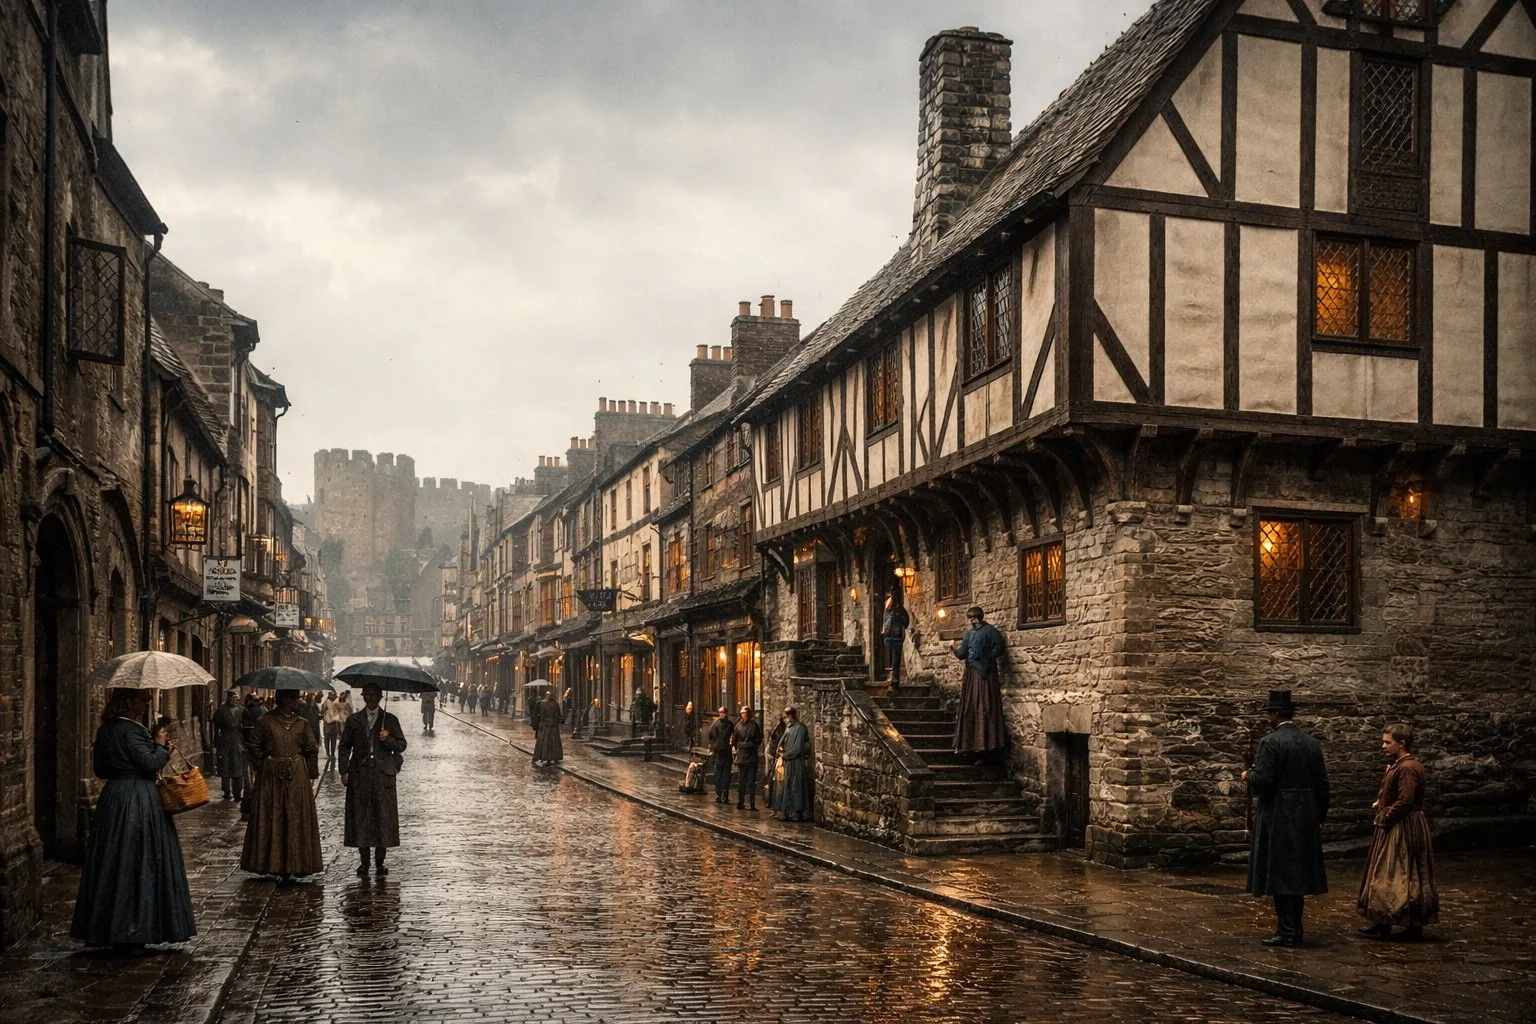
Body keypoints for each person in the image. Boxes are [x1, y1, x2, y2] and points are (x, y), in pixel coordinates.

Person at [71, 688, 196, 950]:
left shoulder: (106, 729)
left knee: (112, 859)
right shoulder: (132, 730)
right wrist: (161, 746)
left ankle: (107, 927)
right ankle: (135, 928)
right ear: (128, 701)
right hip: (139, 799)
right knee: (140, 858)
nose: (145, 705)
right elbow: (150, 764)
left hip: (113, 797)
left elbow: (100, 769)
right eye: (143, 700)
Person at [1243, 689, 1330, 947]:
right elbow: (1323, 784)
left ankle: (1288, 930)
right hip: (1304, 814)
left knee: (1281, 873)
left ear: (1273, 715)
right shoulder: (1311, 744)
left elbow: (1264, 781)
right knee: (1297, 874)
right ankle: (1294, 928)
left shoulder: (1270, 742)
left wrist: (1248, 776)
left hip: (1279, 814)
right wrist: (1319, 815)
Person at [1357, 722, 1439, 940]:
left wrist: (1386, 815)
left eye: (1387, 742)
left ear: (1401, 744)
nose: (1383, 746)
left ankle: (1411, 923)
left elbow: (1405, 800)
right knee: (1384, 873)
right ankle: (1382, 920)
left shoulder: (1407, 768)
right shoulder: (1399, 765)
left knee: (1401, 872)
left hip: (1403, 827)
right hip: (1398, 824)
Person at [241, 689, 323, 881]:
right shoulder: (265, 721)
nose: (295, 702)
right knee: (273, 815)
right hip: (271, 777)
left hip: (297, 775)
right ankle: (271, 863)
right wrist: (264, 765)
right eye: (291, 698)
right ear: (283, 699)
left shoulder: (302, 724)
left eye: (296, 698)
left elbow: (311, 748)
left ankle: (297, 863)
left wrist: (311, 773)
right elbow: (253, 745)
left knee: (295, 816)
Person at [339, 683, 408, 876]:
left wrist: (388, 739)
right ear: (363, 696)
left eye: (373, 695)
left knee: (382, 818)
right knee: (361, 818)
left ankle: (379, 863)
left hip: (381, 777)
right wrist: (343, 771)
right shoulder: (354, 720)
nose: (370, 698)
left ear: (379, 697)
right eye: (366, 695)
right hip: (360, 776)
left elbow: (402, 745)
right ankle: (364, 863)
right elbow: (344, 746)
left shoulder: (390, 720)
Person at [952, 606, 1007, 757]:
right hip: (971, 673)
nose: (972, 621)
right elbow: (962, 653)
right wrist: (954, 649)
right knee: (971, 704)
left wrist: (989, 657)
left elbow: (1000, 646)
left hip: (986, 674)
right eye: (970, 619)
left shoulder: (990, 631)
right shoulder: (968, 633)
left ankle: (986, 746)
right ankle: (968, 744)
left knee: (985, 704)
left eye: (974, 618)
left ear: (980, 618)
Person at [773, 707, 813, 822]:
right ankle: (787, 811)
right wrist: (780, 752)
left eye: (787, 716)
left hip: (796, 763)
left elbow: (799, 747)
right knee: (787, 786)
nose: (786, 719)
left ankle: (798, 812)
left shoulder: (800, 728)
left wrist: (786, 755)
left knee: (797, 786)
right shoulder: (789, 728)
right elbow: (782, 742)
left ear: (791, 716)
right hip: (788, 763)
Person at [212, 688, 247, 801]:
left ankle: (237, 791)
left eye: (237, 697)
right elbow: (216, 725)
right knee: (225, 766)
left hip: (238, 742)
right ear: (229, 698)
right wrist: (217, 741)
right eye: (233, 697)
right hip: (226, 741)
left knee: (238, 766)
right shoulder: (221, 710)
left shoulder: (242, 710)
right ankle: (227, 790)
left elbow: (248, 726)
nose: (235, 699)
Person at [731, 705, 764, 811]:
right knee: (741, 782)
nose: (743, 715)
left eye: (745, 713)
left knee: (751, 781)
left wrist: (751, 746)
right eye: (742, 713)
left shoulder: (754, 725)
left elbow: (758, 739)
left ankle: (751, 804)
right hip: (742, 757)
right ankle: (740, 802)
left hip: (751, 757)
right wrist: (737, 749)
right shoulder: (738, 726)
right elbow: (734, 740)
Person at [882, 588, 911, 684]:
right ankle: (894, 678)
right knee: (895, 658)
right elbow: (906, 622)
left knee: (890, 657)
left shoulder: (887, 609)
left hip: (889, 636)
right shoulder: (899, 609)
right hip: (896, 636)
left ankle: (891, 677)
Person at [707, 707, 734, 804]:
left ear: (726, 713)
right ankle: (719, 794)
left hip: (727, 752)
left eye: (723, 713)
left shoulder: (730, 724)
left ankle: (724, 795)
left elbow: (732, 736)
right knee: (718, 775)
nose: (722, 714)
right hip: (718, 752)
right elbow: (711, 736)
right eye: (720, 713)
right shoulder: (716, 725)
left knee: (726, 776)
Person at [531, 688, 565, 766]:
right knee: (552, 741)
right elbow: (559, 715)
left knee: (547, 741)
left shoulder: (542, 703)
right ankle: (553, 757)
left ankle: (548, 757)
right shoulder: (547, 703)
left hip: (546, 725)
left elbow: (537, 715)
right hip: (549, 724)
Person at [322, 691, 348, 763]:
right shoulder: (326, 702)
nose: (332, 696)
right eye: (331, 694)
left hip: (334, 723)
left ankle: (332, 754)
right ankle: (328, 753)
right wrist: (325, 709)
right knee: (327, 739)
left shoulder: (337, 702)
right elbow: (322, 711)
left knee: (333, 739)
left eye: (333, 694)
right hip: (327, 723)